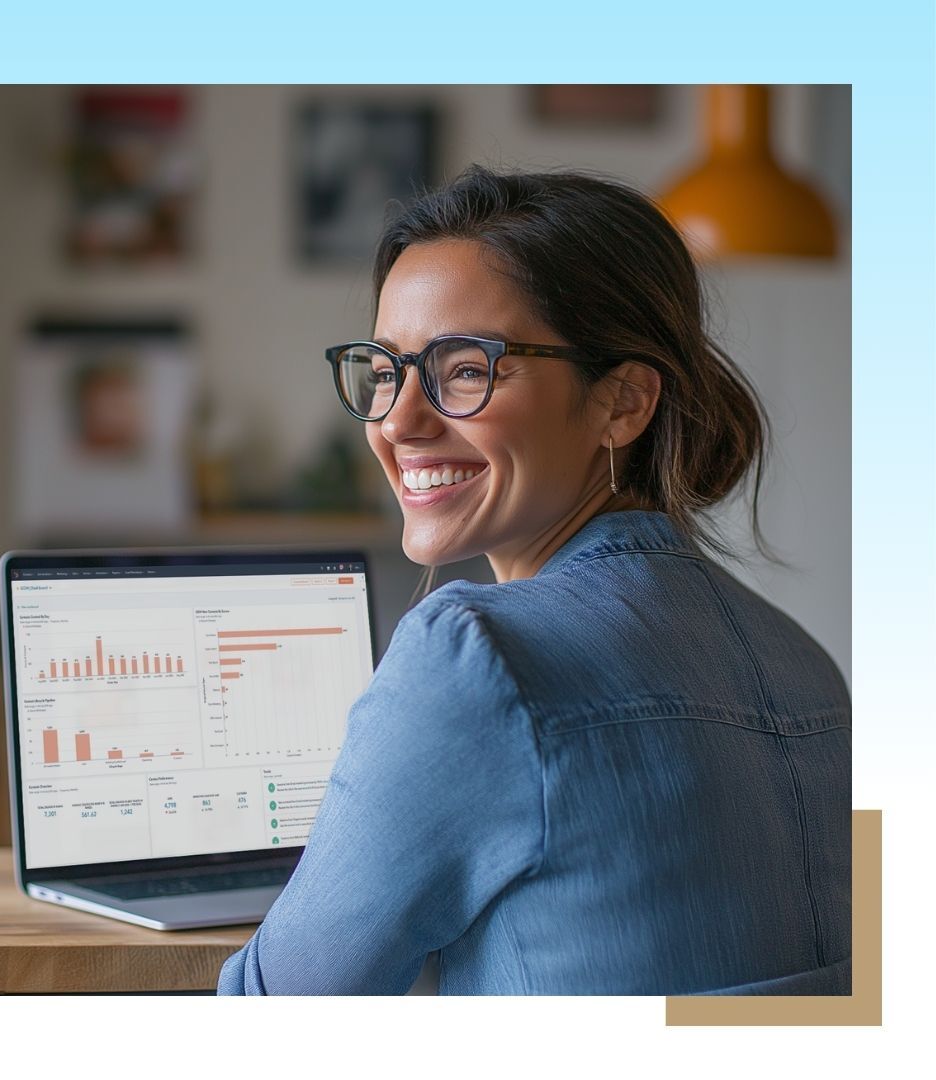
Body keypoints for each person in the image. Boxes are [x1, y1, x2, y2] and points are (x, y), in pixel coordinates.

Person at [217, 165, 851, 996]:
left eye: (465, 368)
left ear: (622, 402)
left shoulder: (476, 655)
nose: (401, 421)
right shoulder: (807, 665)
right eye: (384, 371)